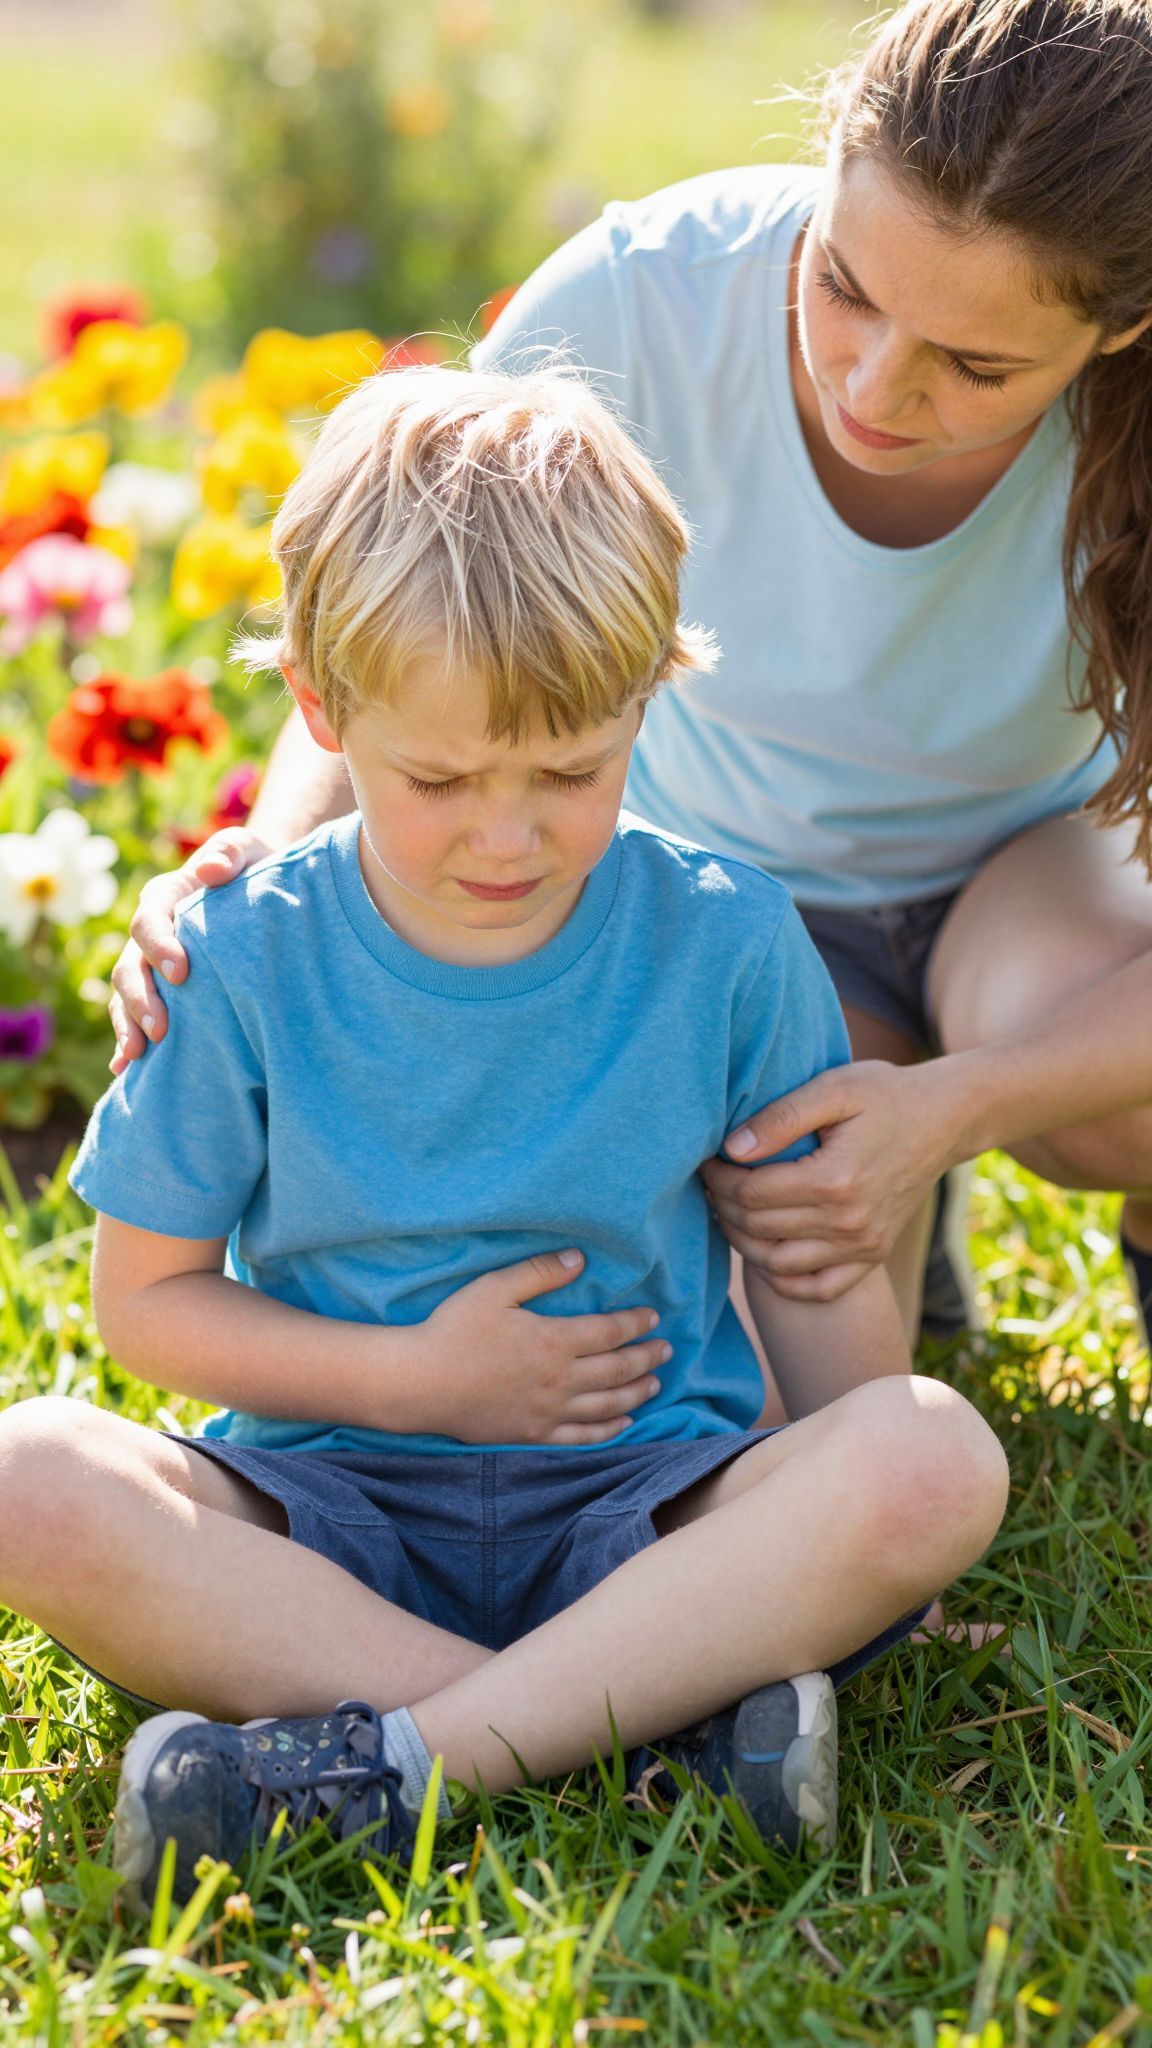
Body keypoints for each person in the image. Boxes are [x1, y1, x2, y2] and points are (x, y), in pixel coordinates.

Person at [1, 364, 1007, 1907]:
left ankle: (386, 1767)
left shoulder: (725, 940)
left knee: (933, 1462)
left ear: (648, 699)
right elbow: (142, 1307)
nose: (506, 834)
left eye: (571, 771)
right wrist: (418, 1379)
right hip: (325, 1525)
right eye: (440, 779)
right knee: (28, 1478)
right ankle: (647, 1729)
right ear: (329, 714)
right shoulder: (241, 955)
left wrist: (878, 1554)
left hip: (649, 1503)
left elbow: (805, 1268)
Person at [108, 0, 1152, 1366]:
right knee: (731, 1410)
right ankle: (890, 1194)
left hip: (1026, 878)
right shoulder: (641, 296)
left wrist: (963, 1104)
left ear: (1120, 334)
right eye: (843, 284)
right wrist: (261, 862)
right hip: (710, 896)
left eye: (974, 366)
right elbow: (405, 623)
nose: (873, 383)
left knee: (1119, 1097)